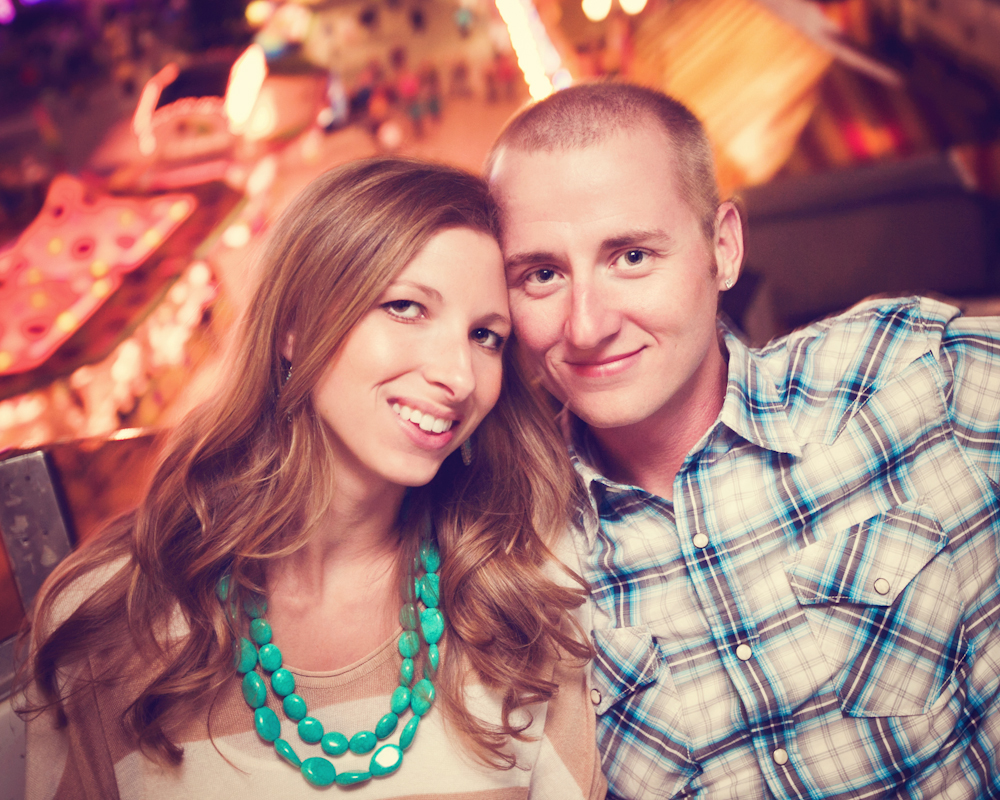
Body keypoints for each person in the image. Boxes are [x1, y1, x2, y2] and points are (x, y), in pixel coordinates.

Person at [20, 158, 606, 799]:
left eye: (485, 336)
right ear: (295, 326)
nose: (459, 377)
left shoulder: (521, 593)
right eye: (406, 307)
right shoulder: (110, 614)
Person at [486, 81, 1000, 799]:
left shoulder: (908, 376)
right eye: (542, 275)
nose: (586, 325)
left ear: (721, 248)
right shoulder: (512, 554)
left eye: (631, 256)